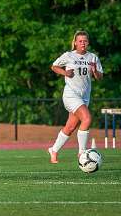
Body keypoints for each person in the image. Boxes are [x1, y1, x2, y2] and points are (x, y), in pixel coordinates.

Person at [48, 30, 103, 164]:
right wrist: (65, 72)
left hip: (84, 96)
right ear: (75, 43)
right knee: (87, 118)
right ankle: (82, 153)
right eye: (80, 41)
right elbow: (54, 66)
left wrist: (95, 71)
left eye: (85, 41)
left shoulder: (93, 58)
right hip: (71, 94)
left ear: (88, 42)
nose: (82, 43)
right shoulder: (68, 55)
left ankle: (53, 150)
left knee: (71, 127)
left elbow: (100, 78)